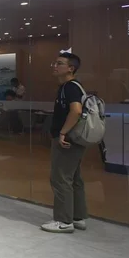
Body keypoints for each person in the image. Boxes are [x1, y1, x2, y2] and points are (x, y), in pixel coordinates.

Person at [42, 52, 88, 233]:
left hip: (67, 139)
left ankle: (64, 220)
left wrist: (62, 132)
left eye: (59, 63)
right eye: (54, 63)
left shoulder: (70, 87)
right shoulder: (70, 87)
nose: (55, 66)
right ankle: (77, 217)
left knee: (61, 179)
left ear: (71, 68)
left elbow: (76, 111)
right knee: (74, 178)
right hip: (74, 139)